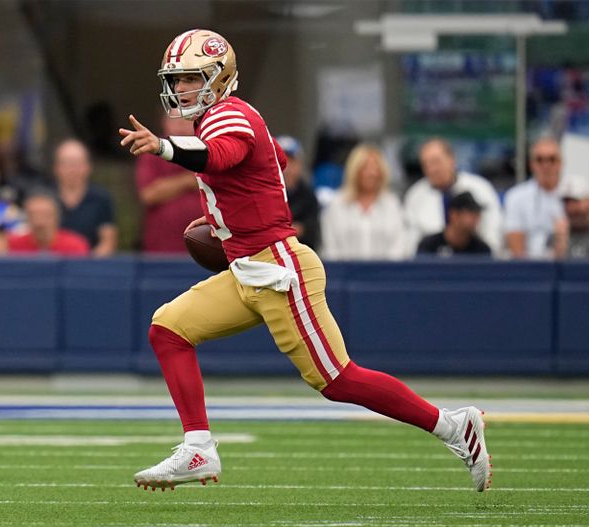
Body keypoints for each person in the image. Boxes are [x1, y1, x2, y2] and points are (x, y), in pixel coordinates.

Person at [118, 29, 490, 493]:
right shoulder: (224, 117)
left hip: (277, 270)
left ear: (219, 78)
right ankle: (198, 446)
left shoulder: (227, 115)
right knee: (168, 328)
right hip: (245, 268)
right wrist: (234, 213)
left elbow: (220, 155)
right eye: (178, 79)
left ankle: (454, 426)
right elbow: (269, 158)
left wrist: (164, 148)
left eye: (192, 78)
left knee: (337, 379)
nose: (181, 89)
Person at [403, 138, 502, 254]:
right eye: (426, 164)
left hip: (475, 260)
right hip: (429, 263)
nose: (432, 169)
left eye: (436, 162)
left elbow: (493, 231)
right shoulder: (415, 196)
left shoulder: (481, 188)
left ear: (452, 159)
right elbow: (410, 240)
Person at [320, 143, 407, 260]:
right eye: (365, 167)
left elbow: (399, 246)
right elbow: (330, 248)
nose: (371, 173)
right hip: (343, 275)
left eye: (375, 167)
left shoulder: (392, 204)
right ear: (354, 170)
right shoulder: (337, 204)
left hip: (386, 275)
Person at [135, 114, 202, 253]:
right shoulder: (152, 153)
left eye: (186, 119)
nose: (181, 124)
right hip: (162, 250)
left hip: (205, 248)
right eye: (175, 119)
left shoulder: (209, 150)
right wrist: (188, 181)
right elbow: (148, 194)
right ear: (164, 123)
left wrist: (169, 186)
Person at [502, 137, 565, 258]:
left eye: (552, 160)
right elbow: (517, 249)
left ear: (561, 163)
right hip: (529, 268)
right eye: (540, 160)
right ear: (531, 164)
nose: (546, 165)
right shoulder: (516, 197)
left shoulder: (574, 197)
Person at [53, 139, 117, 256]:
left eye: (78, 163)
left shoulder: (101, 198)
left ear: (88, 167)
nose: (73, 169)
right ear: (56, 167)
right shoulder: (46, 198)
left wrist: (87, 263)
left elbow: (108, 241)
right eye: (67, 163)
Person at [8, 189, 89, 257]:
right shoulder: (13, 246)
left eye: (45, 215)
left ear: (57, 217)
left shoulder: (75, 246)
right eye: (33, 215)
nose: (39, 221)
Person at [276, 135, 320, 251]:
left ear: (300, 165)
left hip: (303, 254)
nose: (287, 168)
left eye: (292, 161)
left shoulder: (309, 195)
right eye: (282, 161)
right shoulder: (264, 194)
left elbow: (312, 230)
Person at [417, 192, 492, 257]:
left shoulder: (481, 250)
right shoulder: (429, 246)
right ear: (454, 215)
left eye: (478, 214)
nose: (476, 218)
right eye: (471, 213)